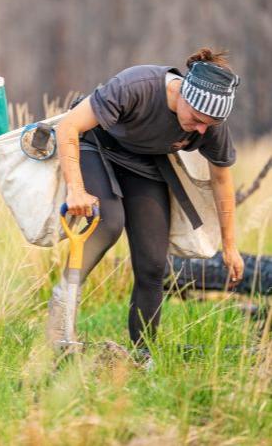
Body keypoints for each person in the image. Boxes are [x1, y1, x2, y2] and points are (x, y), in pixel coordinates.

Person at [48, 48, 244, 359]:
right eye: (196, 120)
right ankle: (61, 315)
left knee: (153, 265)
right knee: (108, 222)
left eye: (210, 124)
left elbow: (222, 181)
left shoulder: (210, 125)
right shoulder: (136, 86)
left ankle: (143, 356)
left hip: (145, 164)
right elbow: (68, 128)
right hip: (96, 146)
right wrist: (76, 190)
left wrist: (230, 245)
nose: (202, 130)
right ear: (182, 94)